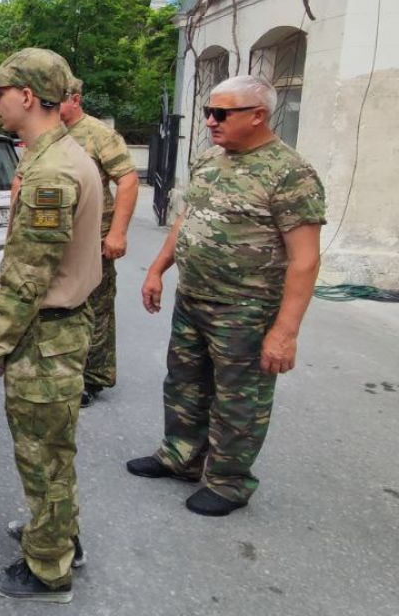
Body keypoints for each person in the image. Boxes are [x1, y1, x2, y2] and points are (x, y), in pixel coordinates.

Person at [129, 75, 325, 516]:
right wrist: (159, 269)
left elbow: (305, 260)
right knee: (183, 383)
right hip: (194, 298)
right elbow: (187, 220)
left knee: (239, 400)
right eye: (208, 112)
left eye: (222, 113)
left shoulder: (291, 174)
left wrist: (285, 332)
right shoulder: (209, 161)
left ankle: (229, 481)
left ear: (258, 116)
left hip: (246, 310)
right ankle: (180, 456)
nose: (211, 121)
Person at [0, 48, 102, 604]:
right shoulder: (56, 156)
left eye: (0, 91)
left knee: (41, 454)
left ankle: (47, 570)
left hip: (48, 337)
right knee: (54, 450)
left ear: (28, 97)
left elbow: (27, 278)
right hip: (59, 329)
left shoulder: (51, 173)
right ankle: (61, 537)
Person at [59, 79, 139, 407]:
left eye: (56, 100)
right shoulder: (51, 134)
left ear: (75, 99)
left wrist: (118, 233)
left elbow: (129, 179)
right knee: (65, 306)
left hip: (96, 240)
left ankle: (92, 378)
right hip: (62, 239)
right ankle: (64, 368)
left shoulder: (98, 134)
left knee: (97, 308)